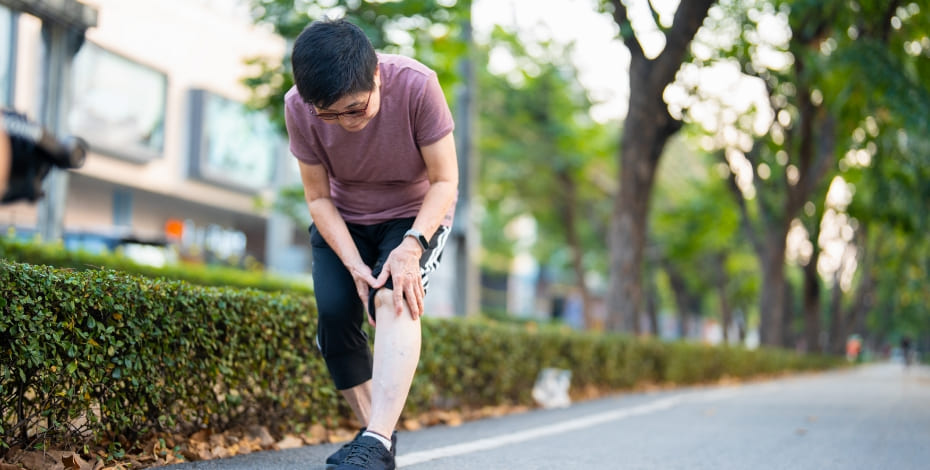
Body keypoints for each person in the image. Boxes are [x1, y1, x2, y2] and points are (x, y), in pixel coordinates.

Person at [284, 18, 458, 470]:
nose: (345, 124)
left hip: (414, 214)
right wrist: (353, 263)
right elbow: (318, 198)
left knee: (393, 295)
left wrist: (411, 247)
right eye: (329, 114)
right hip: (344, 217)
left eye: (355, 109)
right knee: (335, 315)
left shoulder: (418, 85)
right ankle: (376, 441)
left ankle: (375, 439)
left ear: (377, 75)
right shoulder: (298, 106)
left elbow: (445, 180)